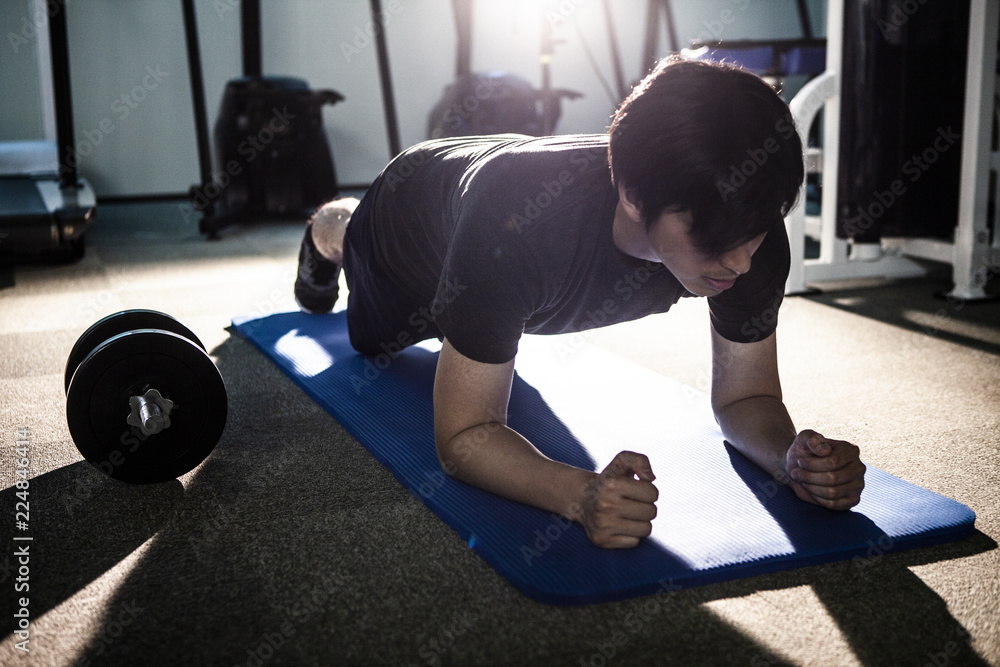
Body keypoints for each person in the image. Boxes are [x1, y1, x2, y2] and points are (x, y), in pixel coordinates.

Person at [294, 57, 867, 549]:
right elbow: (464, 437)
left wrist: (791, 460)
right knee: (370, 329)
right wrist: (579, 495)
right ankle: (330, 226)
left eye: (756, 236)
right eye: (716, 240)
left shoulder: (746, 220)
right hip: (410, 217)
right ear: (635, 197)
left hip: (496, 194)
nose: (742, 264)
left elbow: (748, 396)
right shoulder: (514, 227)